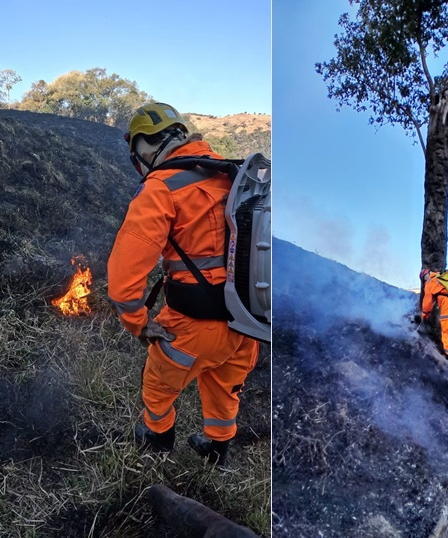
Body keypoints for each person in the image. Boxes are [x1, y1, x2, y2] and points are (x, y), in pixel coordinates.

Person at [107, 102, 259, 466]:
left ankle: (156, 443)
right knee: (225, 388)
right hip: (247, 324)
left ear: (143, 146)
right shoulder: (234, 173)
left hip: (194, 326)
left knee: (158, 385)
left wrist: (138, 323)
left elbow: (123, 280)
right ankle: (216, 450)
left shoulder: (161, 187)